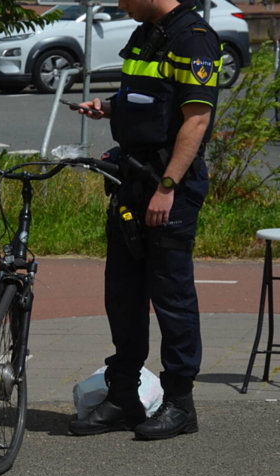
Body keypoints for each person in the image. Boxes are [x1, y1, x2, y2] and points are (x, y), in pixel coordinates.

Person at [68, 0, 220, 440]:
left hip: (168, 185)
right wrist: (109, 107)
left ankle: (180, 403)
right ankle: (123, 396)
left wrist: (167, 187)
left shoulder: (194, 40)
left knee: (171, 295)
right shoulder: (147, 33)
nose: (120, 3)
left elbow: (196, 120)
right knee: (123, 293)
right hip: (131, 180)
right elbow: (146, 98)